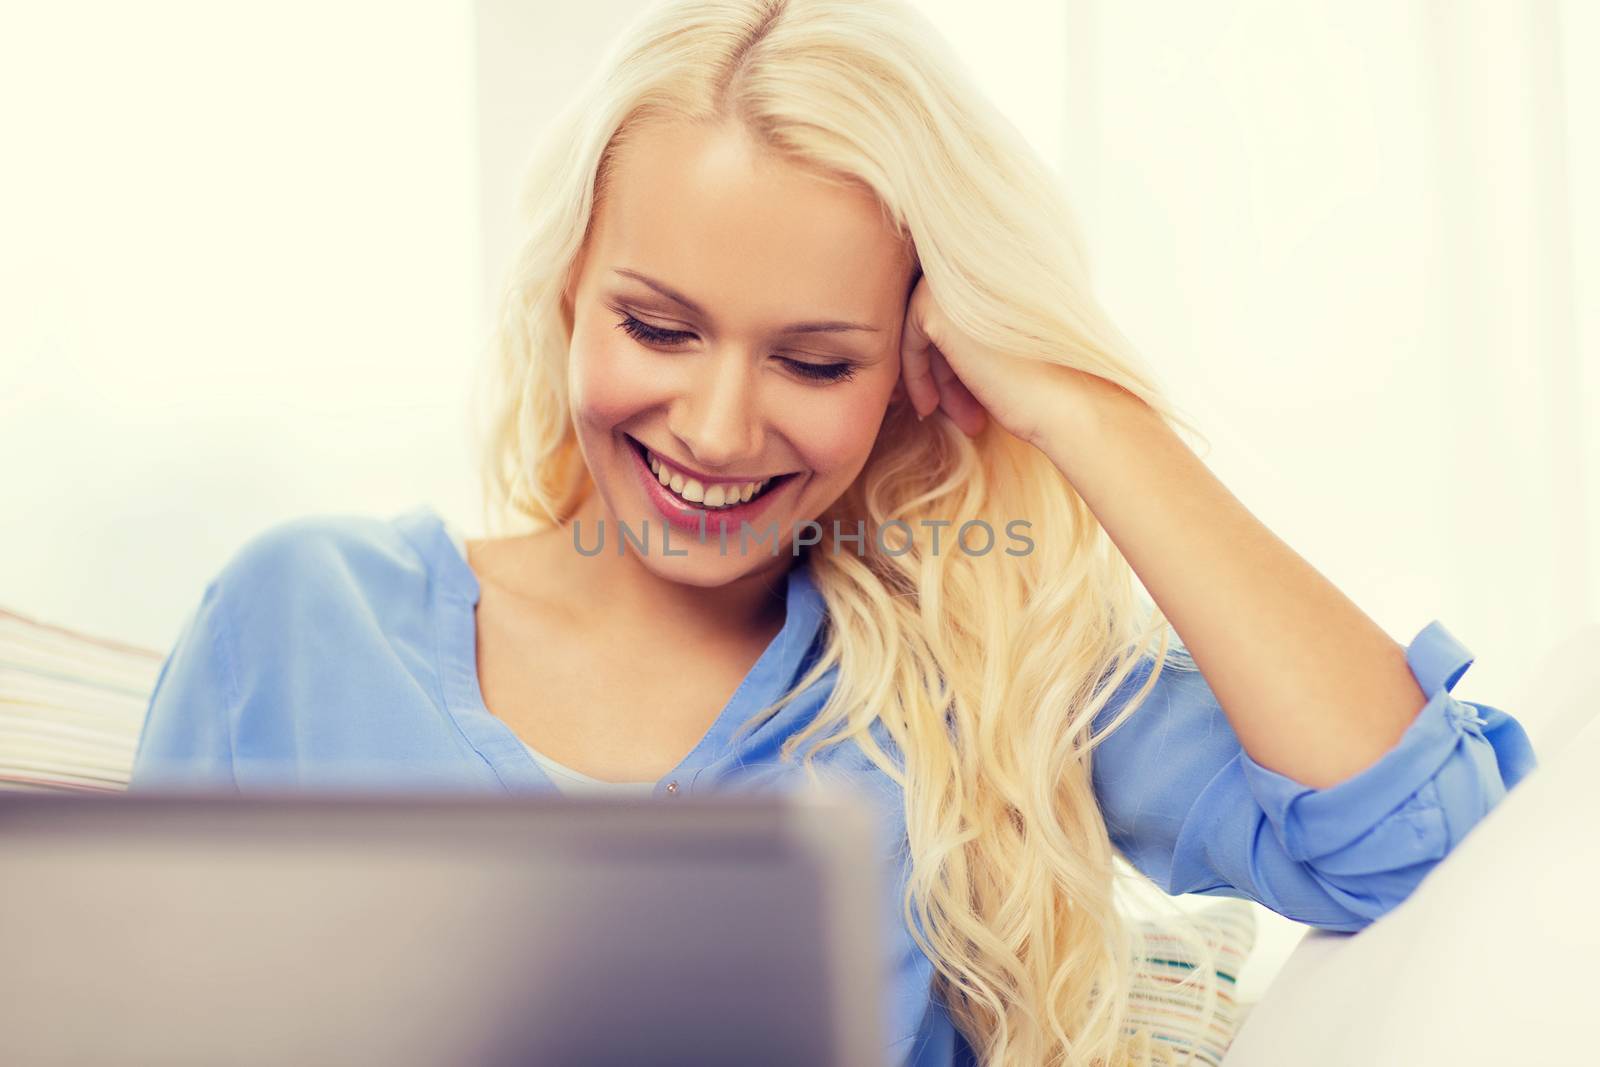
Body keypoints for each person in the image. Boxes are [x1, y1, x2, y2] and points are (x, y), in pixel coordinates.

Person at [130, 1, 1538, 1064]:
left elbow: (1416, 835)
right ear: (566, 290)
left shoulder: (971, 683)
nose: (720, 429)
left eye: (815, 363)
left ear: (918, 369)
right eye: (658, 327)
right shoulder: (298, 624)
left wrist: (1079, 407)